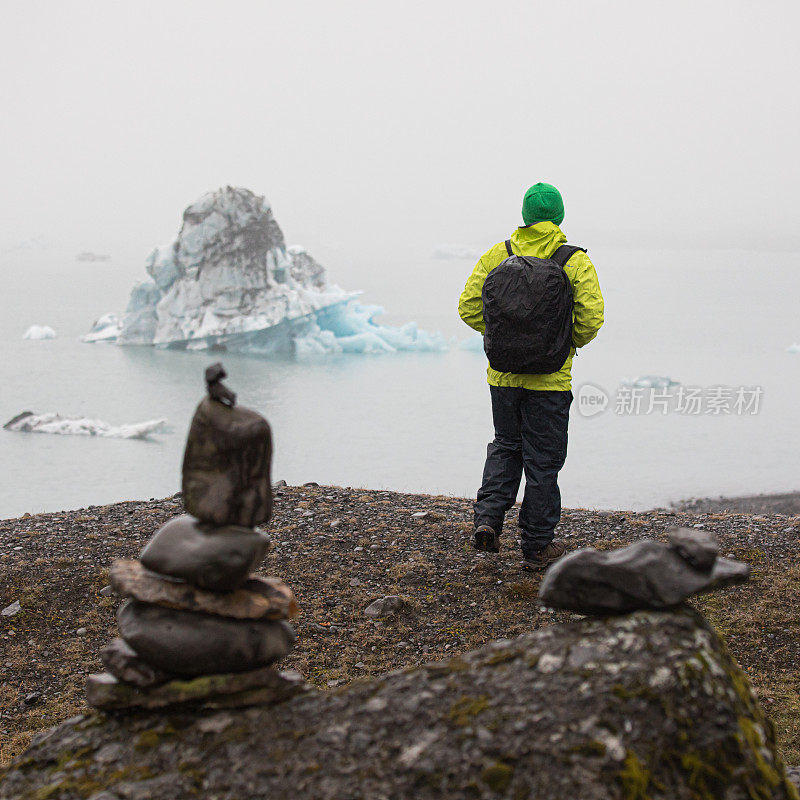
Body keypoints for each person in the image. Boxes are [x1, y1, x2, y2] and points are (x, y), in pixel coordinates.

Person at [458, 182, 604, 570]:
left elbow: (469, 308)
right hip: (550, 381)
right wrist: (561, 344)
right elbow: (591, 319)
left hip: (503, 377)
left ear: (524, 216)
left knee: (506, 445)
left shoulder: (498, 254)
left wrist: (504, 336)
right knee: (543, 462)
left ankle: (488, 519)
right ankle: (537, 548)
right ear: (558, 216)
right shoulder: (572, 259)